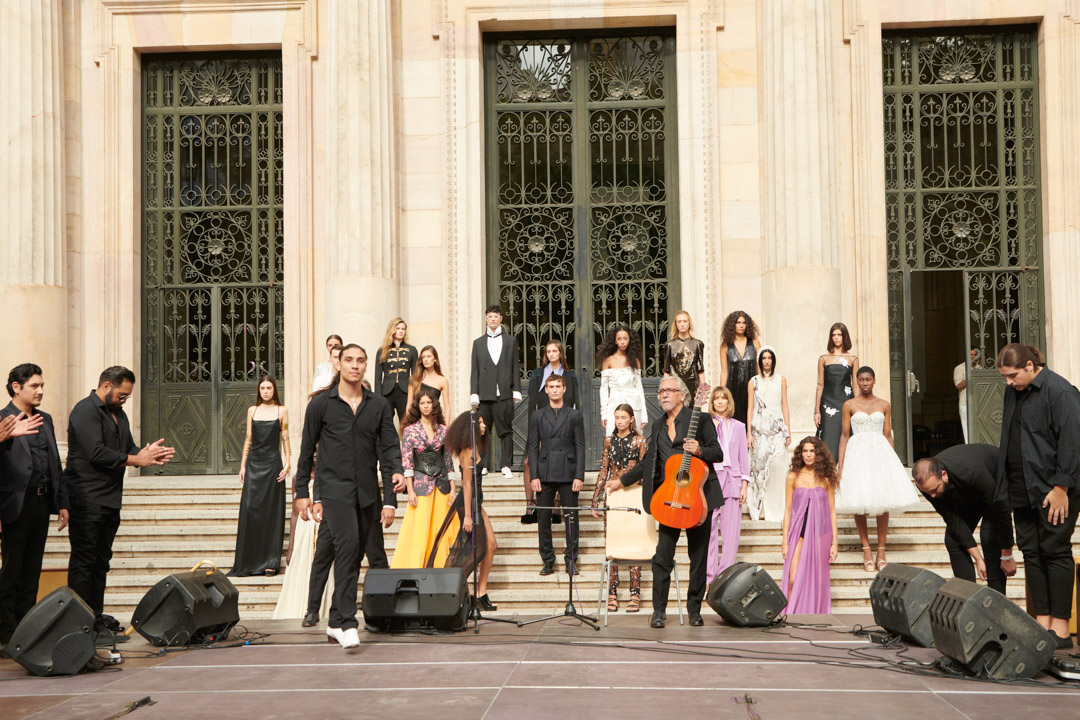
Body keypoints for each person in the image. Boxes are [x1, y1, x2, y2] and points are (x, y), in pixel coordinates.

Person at [294, 345, 404, 649]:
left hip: (367, 491)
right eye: (349, 360)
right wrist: (302, 491)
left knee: (354, 555)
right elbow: (306, 451)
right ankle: (347, 620)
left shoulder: (379, 405)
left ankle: (332, 622)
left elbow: (390, 445)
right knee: (348, 545)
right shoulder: (320, 406)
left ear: (366, 366)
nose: (355, 366)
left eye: (360, 361)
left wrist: (396, 472)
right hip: (333, 489)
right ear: (339, 365)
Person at [65, 366, 174, 641]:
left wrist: (149, 454)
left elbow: (127, 447)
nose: (124, 400)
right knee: (84, 562)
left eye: (127, 396)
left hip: (110, 499)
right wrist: (136, 460)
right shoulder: (84, 411)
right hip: (86, 497)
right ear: (105, 386)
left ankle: (95, 619)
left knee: (101, 562)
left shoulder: (119, 414)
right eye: (122, 395)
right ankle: (78, 626)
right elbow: (96, 453)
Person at [619, 375, 724, 628]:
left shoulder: (700, 419)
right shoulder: (656, 426)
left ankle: (694, 610)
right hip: (669, 499)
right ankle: (659, 611)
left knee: (698, 558)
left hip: (698, 498)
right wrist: (621, 481)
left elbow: (717, 453)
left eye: (669, 390)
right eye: (661, 391)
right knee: (662, 556)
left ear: (682, 395)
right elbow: (647, 463)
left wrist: (699, 450)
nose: (664, 394)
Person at [996, 343, 1080, 649]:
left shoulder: (1060, 392)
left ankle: (1060, 629)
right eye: (1005, 376)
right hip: (1022, 485)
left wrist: (1062, 488)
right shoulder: (1012, 392)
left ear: (1031, 365)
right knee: (1031, 551)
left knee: (1055, 550)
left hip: (1053, 488)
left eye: (1013, 375)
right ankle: (1041, 621)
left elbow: (1072, 442)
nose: (1009, 381)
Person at [0, 364, 69, 645]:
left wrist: (62, 503)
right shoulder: (2, 419)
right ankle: (6, 635)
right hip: (13, 506)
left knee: (32, 573)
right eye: (34, 386)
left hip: (41, 503)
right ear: (17, 387)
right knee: (11, 573)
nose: (40, 391)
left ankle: (27, 635)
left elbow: (54, 463)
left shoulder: (46, 419)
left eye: (42, 386)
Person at [835, 367, 920, 572]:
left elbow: (888, 434)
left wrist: (894, 462)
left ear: (874, 381)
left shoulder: (884, 404)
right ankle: (866, 549)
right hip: (857, 454)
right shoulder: (849, 404)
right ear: (857, 381)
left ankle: (881, 550)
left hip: (880, 453)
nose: (865, 383)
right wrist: (840, 466)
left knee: (883, 501)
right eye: (861, 380)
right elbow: (844, 436)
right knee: (858, 501)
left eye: (868, 379)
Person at [913, 444, 1016, 594]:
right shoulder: (928, 485)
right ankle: (967, 599)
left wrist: (1007, 555)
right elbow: (953, 520)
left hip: (998, 480)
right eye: (928, 493)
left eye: (935, 490)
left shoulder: (970, 471)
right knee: (953, 539)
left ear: (943, 474)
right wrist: (979, 559)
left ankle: (997, 604)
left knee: (989, 536)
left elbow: (1001, 511)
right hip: (970, 492)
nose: (933, 496)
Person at [229, 375, 290, 577]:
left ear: (274, 390)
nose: (265, 391)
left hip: (273, 466)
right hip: (254, 465)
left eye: (269, 388)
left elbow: (285, 440)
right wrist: (243, 465)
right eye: (262, 388)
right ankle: (248, 563)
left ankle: (271, 563)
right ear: (259, 390)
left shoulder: (282, 411)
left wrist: (288, 465)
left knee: (271, 514)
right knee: (251, 511)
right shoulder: (251, 411)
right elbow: (248, 439)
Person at [391, 389, 458, 568]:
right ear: (418, 406)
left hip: (442, 485)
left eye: (429, 402)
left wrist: (453, 488)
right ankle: (416, 568)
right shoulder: (410, 431)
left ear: (434, 405)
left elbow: (448, 460)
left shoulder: (444, 430)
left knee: (441, 530)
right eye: (422, 403)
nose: (426, 406)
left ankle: (441, 567)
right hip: (420, 487)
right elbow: (407, 462)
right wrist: (410, 490)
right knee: (420, 531)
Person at [527, 374, 585, 576]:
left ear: (564, 389)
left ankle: (571, 559)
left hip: (569, 471)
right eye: (550, 386)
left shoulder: (575, 415)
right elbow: (533, 448)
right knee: (543, 519)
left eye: (557, 386)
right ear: (546, 390)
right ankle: (548, 559)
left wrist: (579, 475)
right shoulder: (538, 415)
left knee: (571, 517)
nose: (554, 390)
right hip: (544, 471)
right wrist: (533, 476)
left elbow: (580, 446)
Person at [594, 404, 648, 613]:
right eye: (616, 417)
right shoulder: (609, 441)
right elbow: (603, 469)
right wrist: (595, 498)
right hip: (613, 494)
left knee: (635, 541)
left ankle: (635, 593)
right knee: (613, 541)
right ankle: (612, 592)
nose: (619, 421)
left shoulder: (640, 440)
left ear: (632, 419)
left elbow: (645, 467)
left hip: (634, 493)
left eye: (623, 417)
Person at [445, 411, 499, 611]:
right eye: (480, 423)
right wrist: (468, 516)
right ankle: (451, 587)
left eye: (484, 422)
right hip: (468, 504)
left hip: (477, 502)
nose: (484, 426)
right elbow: (466, 485)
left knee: (491, 545)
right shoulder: (468, 451)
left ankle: (480, 593)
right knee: (479, 550)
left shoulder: (476, 447)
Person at [522, 339, 578, 524]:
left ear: (560, 353)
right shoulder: (538, 374)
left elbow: (576, 403)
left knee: (561, 462)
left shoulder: (570, 376)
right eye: (548, 351)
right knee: (530, 462)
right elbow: (532, 402)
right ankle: (530, 507)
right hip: (540, 423)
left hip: (563, 424)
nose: (551, 354)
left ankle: (556, 508)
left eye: (554, 351)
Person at [781, 437, 839, 615]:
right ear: (800, 453)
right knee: (792, 579)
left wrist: (835, 542)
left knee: (816, 579)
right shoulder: (793, 477)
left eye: (812, 451)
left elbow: (832, 512)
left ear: (818, 454)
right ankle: (789, 616)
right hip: (798, 532)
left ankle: (812, 615)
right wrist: (784, 541)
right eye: (805, 451)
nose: (808, 455)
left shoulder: (826, 479)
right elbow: (788, 510)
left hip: (821, 533)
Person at [469, 305, 521, 478]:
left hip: (504, 392)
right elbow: (474, 370)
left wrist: (516, 391)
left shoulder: (510, 341)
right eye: (489, 316)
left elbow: (515, 367)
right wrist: (474, 393)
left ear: (500, 318)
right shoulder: (478, 343)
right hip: (484, 394)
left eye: (495, 316)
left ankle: (506, 465)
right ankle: (483, 464)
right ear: (486, 319)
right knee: (483, 430)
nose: (492, 319)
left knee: (505, 430)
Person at [707, 387, 749, 584]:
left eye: (723, 398)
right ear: (713, 402)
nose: (720, 402)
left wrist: (744, 485)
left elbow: (743, 457)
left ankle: (725, 574)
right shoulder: (706, 425)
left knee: (731, 530)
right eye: (716, 399)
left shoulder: (739, 427)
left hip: (732, 478)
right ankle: (709, 574)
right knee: (709, 529)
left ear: (729, 402)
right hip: (711, 479)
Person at [746, 346, 790, 522]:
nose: (766, 361)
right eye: (763, 358)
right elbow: (750, 408)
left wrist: (788, 429)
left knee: (777, 465)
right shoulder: (753, 381)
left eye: (769, 358)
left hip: (777, 429)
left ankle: (777, 507)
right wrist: (748, 433)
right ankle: (762, 508)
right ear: (760, 361)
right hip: (759, 430)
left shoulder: (781, 380)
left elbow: (784, 404)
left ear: (773, 360)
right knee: (760, 468)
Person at [815, 322, 858, 461]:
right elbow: (820, 384)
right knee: (828, 437)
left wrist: (858, 407)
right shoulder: (823, 358)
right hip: (828, 403)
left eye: (839, 335)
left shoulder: (853, 359)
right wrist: (816, 411)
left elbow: (855, 385)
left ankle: (845, 473)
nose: (836, 338)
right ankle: (828, 474)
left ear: (844, 336)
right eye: (833, 335)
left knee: (846, 436)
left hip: (846, 402)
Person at [598, 324, 648, 437]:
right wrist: (604, 414)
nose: (622, 342)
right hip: (614, 403)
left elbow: (639, 388)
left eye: (625, 338)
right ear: (615, 341)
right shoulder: (608, 361)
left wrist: (644, 414)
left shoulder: (635, 361)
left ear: (630, 340)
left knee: (635, 439)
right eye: (619, 339)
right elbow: (604, 389)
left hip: (634, 403)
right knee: (611, 437)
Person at [719, 311, 761, 425]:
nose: (741, 325)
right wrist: (721, 393)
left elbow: (759, 368)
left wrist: (762, 388)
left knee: (753, 422)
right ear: (732, 325)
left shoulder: (755, 343)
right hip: (733, 389)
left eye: (744, 323)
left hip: (752, 389)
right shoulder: (725, 345)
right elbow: (724, 371)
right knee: (735, 423)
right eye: (738, 322)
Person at [374, 318, 418, 425]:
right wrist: (378, 398)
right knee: (385, 422)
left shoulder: (412, 350)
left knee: (407, 422)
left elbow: (416, 376)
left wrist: (415, 396)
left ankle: (406, 441)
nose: (401, 331)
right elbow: (378, 377)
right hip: (387, 392)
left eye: (403, 329)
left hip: (405, 392)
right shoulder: (382, 350)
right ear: (392, 330)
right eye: (398, 328)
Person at [663, 310, 705, 399]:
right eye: (679, 322)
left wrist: (702, 393)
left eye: (685, 321)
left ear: (689, 323)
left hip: (693, 386)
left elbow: (700, 369)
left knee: (692, 412)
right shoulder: (669, 345)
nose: (682, 324)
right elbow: (666, 370)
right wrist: (665, 390)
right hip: (675, 386)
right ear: (676, 324)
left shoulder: (697, 344)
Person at [405, 345, 451, 418]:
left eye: (429, 356)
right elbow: (409, 405)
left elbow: (447, 407)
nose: (426, 359)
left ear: (435, 359)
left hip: (435, 420)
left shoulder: (442, 380)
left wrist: (446, 427)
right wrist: (408, 425)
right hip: (416, 421)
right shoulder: (414, 379)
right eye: (423, 357)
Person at [953, 348, 978, 443]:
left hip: (979, 402)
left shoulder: (980, 368)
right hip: (965, 402)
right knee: (967, 428)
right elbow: (958, 384)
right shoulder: (960, 368)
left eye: (975, 354)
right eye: (971, 354)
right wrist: (971, 377)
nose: (973, 357)